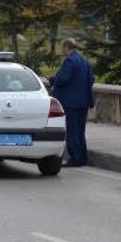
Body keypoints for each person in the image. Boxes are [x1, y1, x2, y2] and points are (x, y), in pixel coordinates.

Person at [50, 38, 95, 167]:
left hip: (70, 103)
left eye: (62, 47)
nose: (62, 50)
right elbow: (91, 78)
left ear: (66, 47)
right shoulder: (83, 60)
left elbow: (63, 79)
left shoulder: (70, 61)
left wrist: (54, 79)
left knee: (72, 131)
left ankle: (75, 158)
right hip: (83, 102)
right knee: (80, 131)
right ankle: (82, 157)